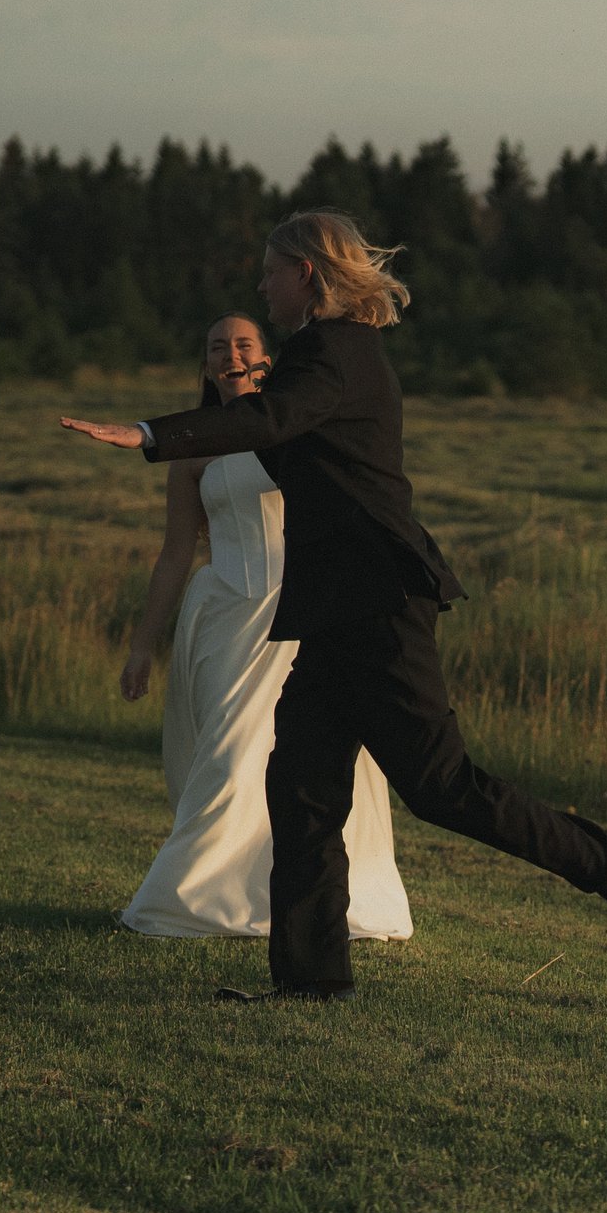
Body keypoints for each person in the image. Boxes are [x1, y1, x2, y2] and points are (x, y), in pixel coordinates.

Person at [62, 210, 607, 1001]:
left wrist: (149, 431)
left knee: (443, 788)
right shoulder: (320, 357)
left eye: (271, 271)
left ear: (307, 275)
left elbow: (270, 420)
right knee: (302, 787)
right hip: (331, 612)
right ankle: (312, 980)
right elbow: (276, 428)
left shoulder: (335, 351)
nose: (261, 286)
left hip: (380, 605)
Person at [117, 314, 411, 942]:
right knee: (226, 758)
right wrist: (144, 643)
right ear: (205, 366)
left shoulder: (302, 428)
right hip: (224, 614)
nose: (231, 355)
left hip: (302, 610)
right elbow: (175, 554)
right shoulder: (192, 447)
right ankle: (198, 900)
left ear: (268, 359)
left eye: (244, 344)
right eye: (217, 346)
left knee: (307, 761)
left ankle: (322, 902)